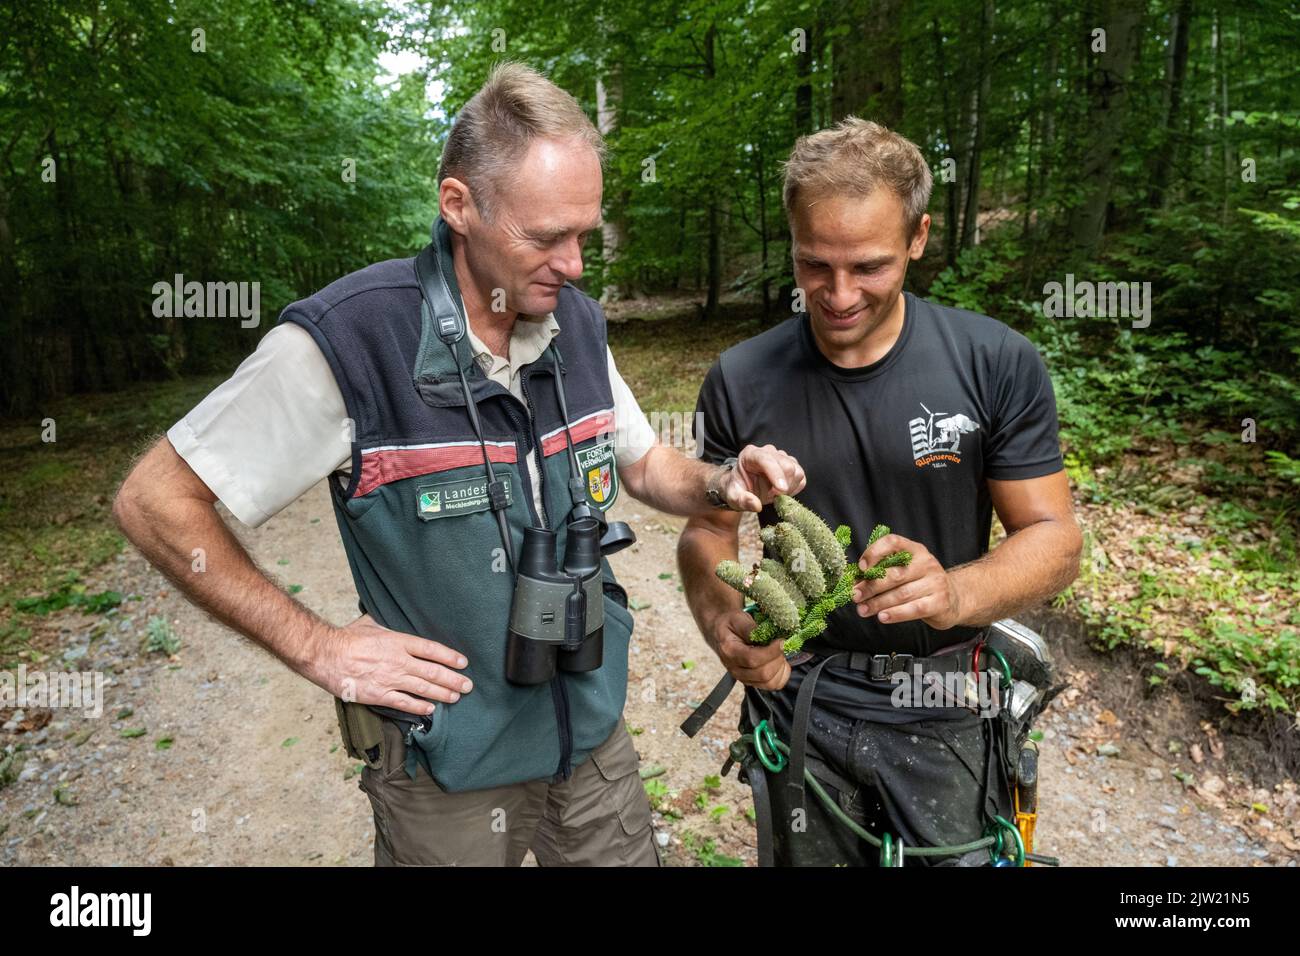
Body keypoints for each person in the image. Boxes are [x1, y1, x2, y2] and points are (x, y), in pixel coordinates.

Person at [112, 62, 805, 867]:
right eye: (546, 237)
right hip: (448, 770)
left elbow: (645, 463)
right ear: (459, 206)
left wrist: (721, 483)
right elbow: (154, 498)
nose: (576, 264)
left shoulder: (575, 324)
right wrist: (318, 647)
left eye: (583, 232)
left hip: (589, 737)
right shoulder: (351, 341)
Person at [677, 117, 1082, 866]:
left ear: (920, 237)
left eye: (868, 266)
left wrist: (955, 594)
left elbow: (1055, 540)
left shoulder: (994, 362)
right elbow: (706, 533)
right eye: (813, 265)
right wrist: (726, 622)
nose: (837, 295)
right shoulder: (740, 377)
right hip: (802, 699)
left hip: (948, 705)